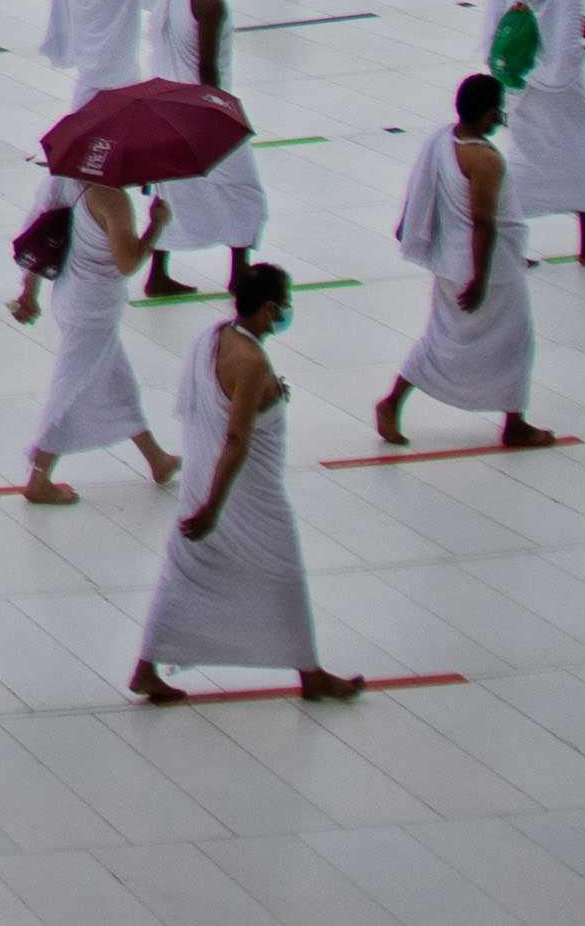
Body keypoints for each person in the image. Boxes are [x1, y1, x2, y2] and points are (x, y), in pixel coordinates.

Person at [129, 266, 360, 703]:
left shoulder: (215, 336)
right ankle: (310, 674)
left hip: (202, 482)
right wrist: (215, 508)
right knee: (284, 573)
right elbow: (236, 439)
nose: (287, 311)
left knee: (185, 574)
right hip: (244, 494)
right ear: (270, 308)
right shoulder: (252, 362)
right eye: (285, 302)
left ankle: (146, 668)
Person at [375, 73, 549, 452]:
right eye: (497, 112)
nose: (500, 118)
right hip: (485, 269)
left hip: (450, 262)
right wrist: (481, 280)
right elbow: (483, 223)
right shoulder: (484, 159)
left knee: (440, 338)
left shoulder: (444, 139)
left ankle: (391, 402)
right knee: (517, 340)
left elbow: (421, 190)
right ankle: (514, 424)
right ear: (487, 113)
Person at [12, 175, 179, 503]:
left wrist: (29, 291)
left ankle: (156, 458)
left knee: (116, 381)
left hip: (69, 294)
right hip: (94, 308)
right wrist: (156, 226)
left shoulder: (59, 184)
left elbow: (38, 234)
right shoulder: (112, 199)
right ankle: (39, 476)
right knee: (70, 386)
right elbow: (127, 262)